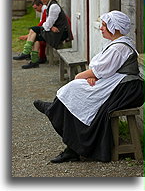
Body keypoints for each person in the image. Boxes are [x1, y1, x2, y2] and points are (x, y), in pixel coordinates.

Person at [33, 10, 144, 163]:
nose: (101, 28)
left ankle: (54, 110)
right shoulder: (117, 44)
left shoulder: (119, 47)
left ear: (115, 27)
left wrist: (85, 76)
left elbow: (99, 70)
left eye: (104, 25)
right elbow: (99, 67)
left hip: (126, 90)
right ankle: (66, 135)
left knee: (76, 87)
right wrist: (92, 75)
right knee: (79, 92)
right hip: (120, 84)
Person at [13, 0, 72, 69]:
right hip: (55, 32)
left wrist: (50, 27)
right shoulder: (49, 6)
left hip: (60, 33)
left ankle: (26, 52)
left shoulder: (54, 6)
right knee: (36, 37)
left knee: (33, 29)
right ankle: (34, 61)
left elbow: (47, 25)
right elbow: (48, 24)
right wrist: (50, 26)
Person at [19, 0, 47, 64]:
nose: (36, 10)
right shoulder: (44, 10)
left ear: (40, 5)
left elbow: (43, 22)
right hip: (50, 28)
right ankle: (36, 57)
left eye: (36, 8)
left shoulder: (45, 10)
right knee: (34, 35)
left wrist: (29, 34)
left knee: (35, 35)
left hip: (57, 31)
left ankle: (28, 54)